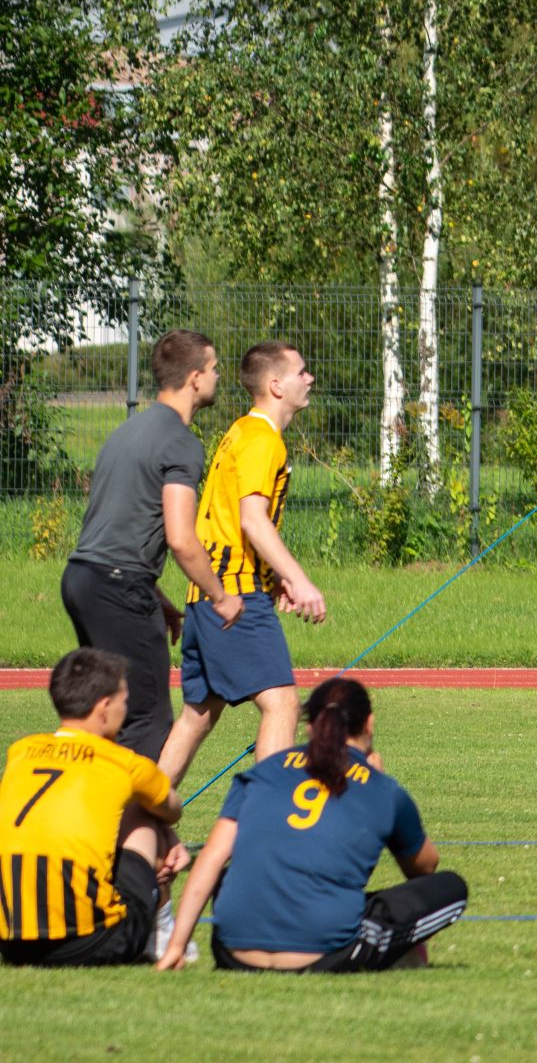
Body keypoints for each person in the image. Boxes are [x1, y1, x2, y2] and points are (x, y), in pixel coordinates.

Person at [155, 678, 467, 971]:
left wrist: (177, 945)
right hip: (325, 953)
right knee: (452, 887)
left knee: (231, 875)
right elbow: (425, 867)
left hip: (233, 954)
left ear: (308, 727)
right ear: (369, 723)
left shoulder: (264, 770)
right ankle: (404, 954)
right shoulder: (381, 788)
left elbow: (212, 857)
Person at [157, 341, 327, 788]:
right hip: (234, 595)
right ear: (276, 386)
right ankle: (264, 818)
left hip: (206, 595)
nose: (309, 379)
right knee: (282, 703)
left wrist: (273, 579)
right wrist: (299, 579)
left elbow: (229, 521)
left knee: (197, 716)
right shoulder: (261, 439)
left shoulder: (242, 432)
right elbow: (252, 519)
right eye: (301, 372)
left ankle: (138, 818)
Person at [60, 331, 225, 764]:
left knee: (104, 712)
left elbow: (116, 526)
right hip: (119, 587)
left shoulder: (126, 431)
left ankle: (87, 802)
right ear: (194, 378)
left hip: (83, 579)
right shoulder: (181, 443)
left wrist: (158, 596)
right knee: (145, 718)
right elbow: (181, 539)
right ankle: (133, 812)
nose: (218, 376)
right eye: (214, 369)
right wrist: (221, 597)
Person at [0, 649, 185, 967]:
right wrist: (168, 833)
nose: (126, 709)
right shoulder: (124, 763)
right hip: (92, 941)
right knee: (143, 810)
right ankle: (163, 933)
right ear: (104, 707)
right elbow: (173, 808)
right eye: (124, 701)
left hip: (10, 942)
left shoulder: (21, 751)